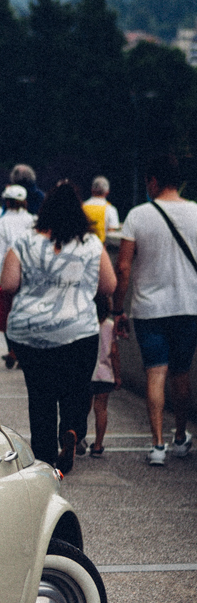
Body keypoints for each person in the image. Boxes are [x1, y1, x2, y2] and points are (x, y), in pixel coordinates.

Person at [0, 180, 116, 473]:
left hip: (31, 332)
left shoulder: (25, 241)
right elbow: (109, 284)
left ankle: (45, 456)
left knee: (40, 396)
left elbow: (8, 284)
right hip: (78, 331)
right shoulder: (91, 244)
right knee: (76, 390)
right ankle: (73, 431)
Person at [113, 152, 197, 464]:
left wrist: (118, 309)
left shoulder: (137, 216)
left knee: (155, 374)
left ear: (153, 181)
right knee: (181, 373)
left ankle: (157, 445)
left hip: (149, 310)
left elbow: (123, 268)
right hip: (189, 306)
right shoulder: (196, 213)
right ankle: (179, 437)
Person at [0, 184, 36, 365]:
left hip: (9, 271)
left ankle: (13, 349)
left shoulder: (3, 222)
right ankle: (23, 350)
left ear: (7, 202)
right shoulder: (32, 220)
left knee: (8, 313)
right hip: (30, 272)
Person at [84, 294, 120, 456]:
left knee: (84, 407)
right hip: (105, 375)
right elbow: (114, 352)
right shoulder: (111, 326)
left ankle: (78, 438)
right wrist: (117, 375)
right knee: (101, 409)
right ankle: (98, 445)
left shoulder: (86, 325)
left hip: (87, 374)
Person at [82, 177, 120, 242]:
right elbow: (111, 233)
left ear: (92, 190)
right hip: (101, 248)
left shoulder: (82, 207)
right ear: (107, 192)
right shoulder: (111, 209)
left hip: (82, 246)